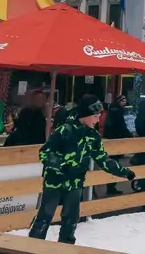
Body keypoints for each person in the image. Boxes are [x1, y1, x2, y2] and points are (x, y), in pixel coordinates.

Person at [28, 95, 134, 245]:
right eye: (95, 116)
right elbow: (45, 153)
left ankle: (66, 247)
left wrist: (124, 172)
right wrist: (62, 166)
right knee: (45, 216)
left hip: (75, 183)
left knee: (71, 218)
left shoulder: (93, 136)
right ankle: (32, 246)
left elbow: (103, 159)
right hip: (55, 182)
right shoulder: (64, 130)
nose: (98, 120)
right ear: (86, 115)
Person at [102, 94, 131, 196]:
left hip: (111, 139)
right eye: (123, 101)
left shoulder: (112, 110)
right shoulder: (118, 112)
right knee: (114, 163)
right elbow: (121, 126)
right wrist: (130, 135)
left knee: (112, 162)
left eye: (125, 101)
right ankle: (111, 186)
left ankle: (110, 185)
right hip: (116, 140)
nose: (125, 103)